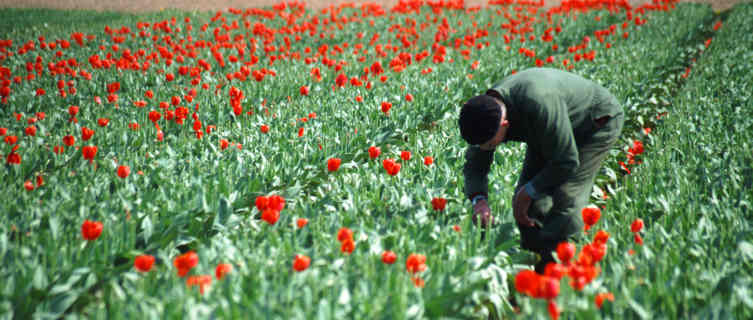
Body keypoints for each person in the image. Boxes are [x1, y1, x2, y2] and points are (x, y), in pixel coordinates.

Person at [458, 68, 624, 273]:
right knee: (529, 204)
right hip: (548, 130)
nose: (486, 150)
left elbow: (566, 160)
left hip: (595, 122)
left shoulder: (537, 103)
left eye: (491, 145)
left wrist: (529, 191)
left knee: (566, 195)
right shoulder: (482, 114)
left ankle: (559, 269)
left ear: (505, 124)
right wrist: (479, 200)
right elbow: (476, 164)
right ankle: (534, 263)